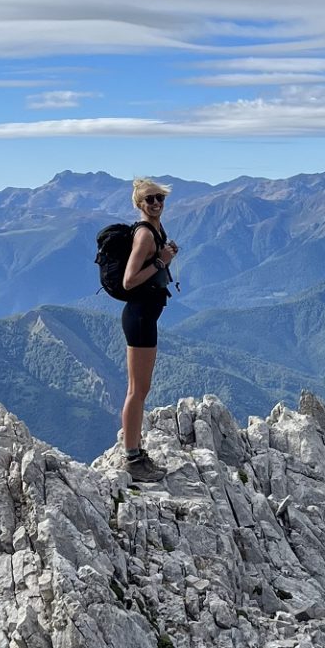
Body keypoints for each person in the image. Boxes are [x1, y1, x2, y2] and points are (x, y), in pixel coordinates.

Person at [119, 177, 178, 483]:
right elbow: (129, 280)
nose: (156, 203)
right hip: (139, 317)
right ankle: (132, 458)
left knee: (140, 389)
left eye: (159, 198)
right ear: (139, 204)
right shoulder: (144, 235)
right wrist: (160, 261)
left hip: (144, 317)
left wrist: (164, 257)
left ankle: (136, 451)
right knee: (137, 390)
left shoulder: (155, 230)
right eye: (150, 199)